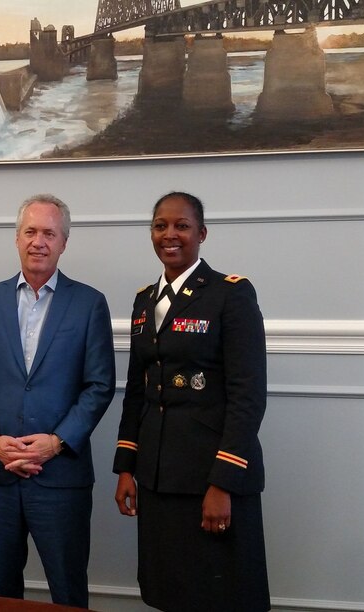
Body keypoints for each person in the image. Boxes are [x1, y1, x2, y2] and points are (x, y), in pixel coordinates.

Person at [0, 194, 116, 608]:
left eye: (49, 233)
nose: (38, 241)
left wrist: (56, 442)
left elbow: (99, 385)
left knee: (67, 588)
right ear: (16, 239)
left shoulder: (88, 303)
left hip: (61, 476)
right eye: (30, 232)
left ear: (64, 242)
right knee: (2, 590)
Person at [113, 191, 270, 611]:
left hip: (210, 477)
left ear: (201, 233)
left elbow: (248, 396)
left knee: (219, 594)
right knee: (170, 591)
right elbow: (138, 389)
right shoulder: (144, 301)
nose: (170, 234)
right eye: (160, 225)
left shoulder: (229, 294)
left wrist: (223, 484)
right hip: (159, 477)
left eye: (181, 225)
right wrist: (127, 466)